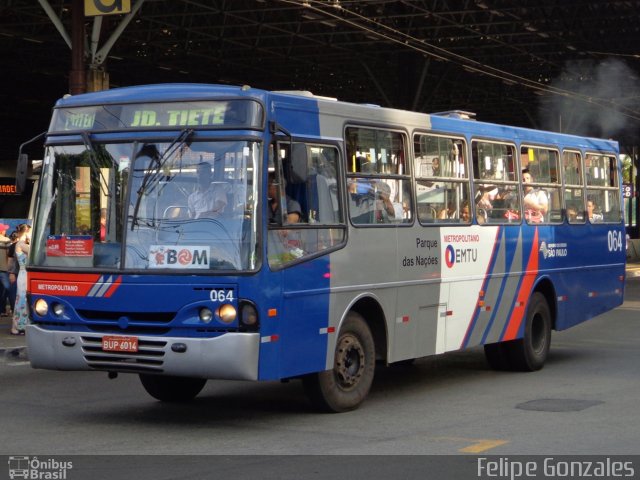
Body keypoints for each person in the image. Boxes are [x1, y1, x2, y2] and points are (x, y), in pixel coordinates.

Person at [10, 224, 30, 335]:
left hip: (24, 274)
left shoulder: (21, 244)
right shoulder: (21, 244)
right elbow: (34, 253)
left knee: (22, 299)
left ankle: (20, 325)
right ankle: (18, 326)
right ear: (26, 232)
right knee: (22, 300)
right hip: (24, 274)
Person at [0, 224, 11, 317]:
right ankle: (2, 310)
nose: (5, 231)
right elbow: (9, 255)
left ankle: (2, 310)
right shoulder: (6, 241)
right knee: (6, 288)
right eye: (4, 229)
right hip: (4, 269)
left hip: (3, 270)